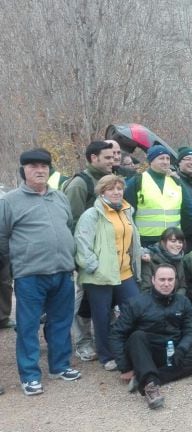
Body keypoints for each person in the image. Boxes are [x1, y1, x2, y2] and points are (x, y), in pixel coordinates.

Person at [0, 149, 81, 396]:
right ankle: (30, 375)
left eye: (44, 166)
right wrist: (18, 262)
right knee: (28, 326)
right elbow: (2, 238)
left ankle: (59, 365)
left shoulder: (59, 197)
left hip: (63, 271)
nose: (40, 170)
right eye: (33, 166)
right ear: (23, 170)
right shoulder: (9, 201)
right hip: (30, 275)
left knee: (60, 322)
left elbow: (68, 227)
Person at [109, 264, 192, 409]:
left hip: (170, 351)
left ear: (175, 281)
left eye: (170, 279)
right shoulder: (137, 303)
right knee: (137, 336)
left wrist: (182, 349)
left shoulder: (183, 302)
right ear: (153, 280)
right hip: (143, 351)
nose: (166, 284)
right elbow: (117, 334)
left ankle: (145, 377)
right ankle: (150, 387)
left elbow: (190, 332)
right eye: (162, 279)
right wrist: (125, 367)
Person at [74, 174, 141, 371]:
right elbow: (82, 243)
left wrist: (139, 255)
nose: (116, 192)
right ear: (102, 191)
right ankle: (106, 355)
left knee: (135, 308)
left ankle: (132, 347)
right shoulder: (92, 215)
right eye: (111, 189)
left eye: (119, 188)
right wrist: (94, 266)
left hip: (124, 272)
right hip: (100, 275)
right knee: (101, 316)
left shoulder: (126, 211)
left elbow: (131, 238)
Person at [63, 140, 116, 362]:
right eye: (108, 158)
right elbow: (70, 222)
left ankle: (104, 337)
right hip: (88, 256)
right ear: (93, 158)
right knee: (83, 298)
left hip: (108, 256)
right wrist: (82, 258)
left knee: (107, 299)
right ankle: (83, 341)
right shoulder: (79, 184)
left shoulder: (109, 181)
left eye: (114, 157)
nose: (112, 161)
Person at [126, 144, 192, 247]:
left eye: (168, 158)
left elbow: (190, 210)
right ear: (151, 161)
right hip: (146, 241)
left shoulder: (176, 182)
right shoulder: (137, 181)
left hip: (173, 240)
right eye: (161, 158)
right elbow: (127, 212)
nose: (165, 161)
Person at [140, 227, 188, 297]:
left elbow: (182, 286)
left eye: (180, 242)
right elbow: (146, 290)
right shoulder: (149, 259)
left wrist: (175, 301)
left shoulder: (179, 259)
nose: (177, 245)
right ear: (162, 242)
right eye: (173, 241)